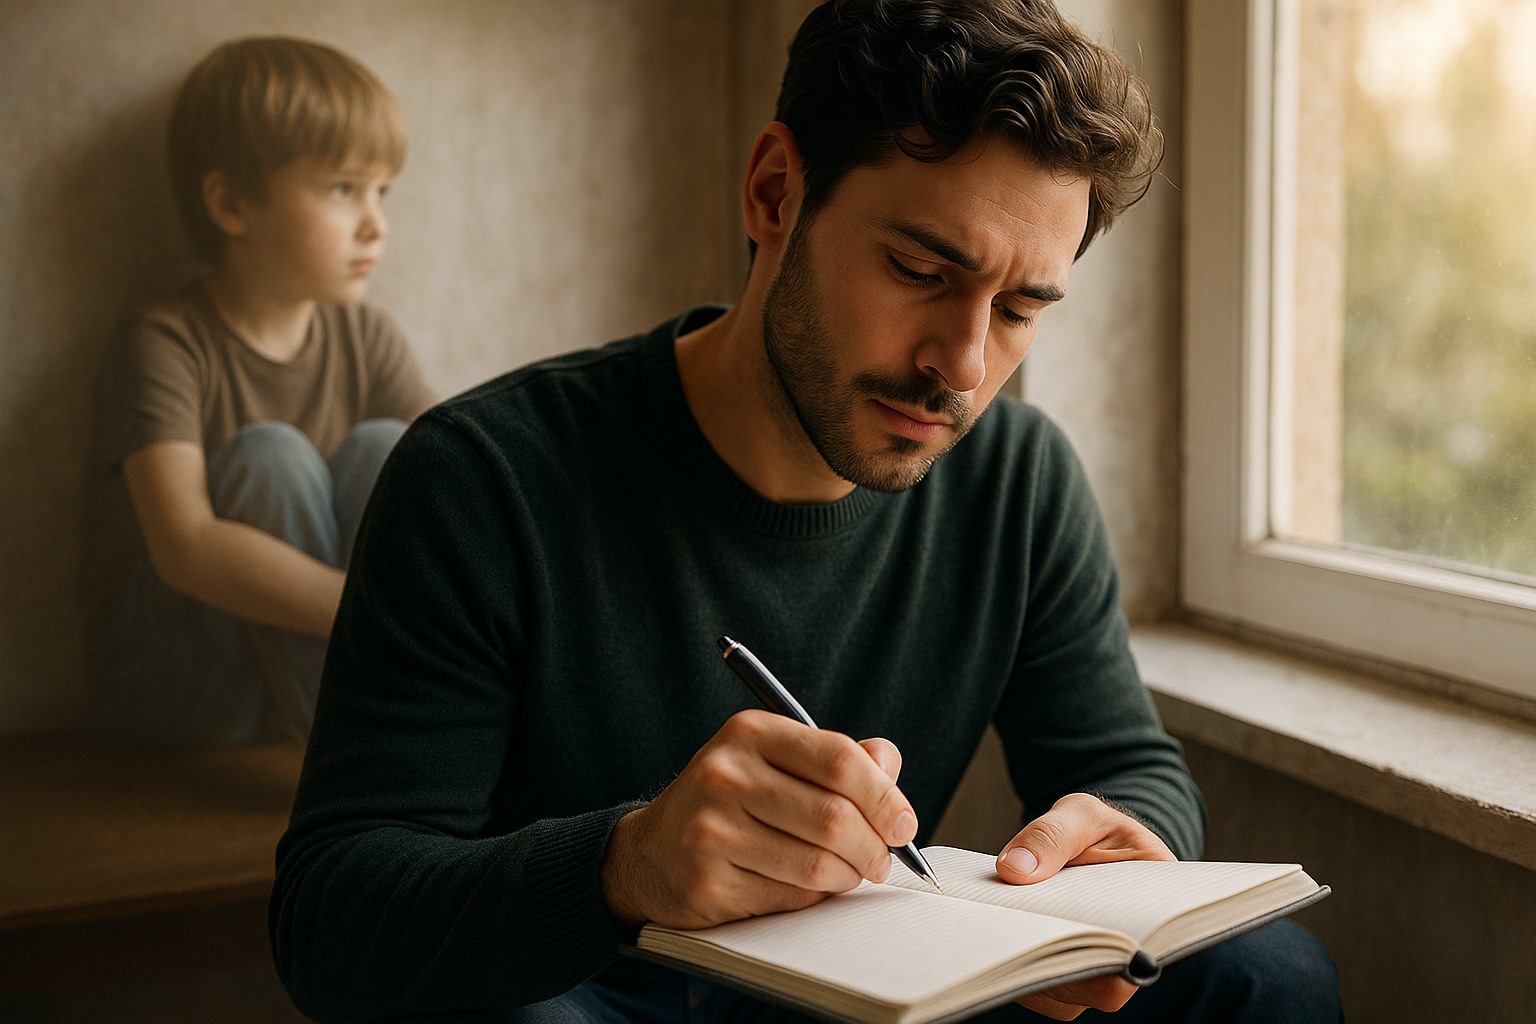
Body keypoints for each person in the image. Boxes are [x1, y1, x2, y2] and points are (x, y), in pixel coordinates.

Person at [271, 2, 1342, 1021]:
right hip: (588, 986)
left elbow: (1127, 761)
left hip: (887, 992)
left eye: (1019, 309)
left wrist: (1121, 853)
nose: (963, 367)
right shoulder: (484, 478)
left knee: (1268, 979)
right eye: (921, 269)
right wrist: (625, 864)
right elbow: (333, 913)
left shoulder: (1020, 480)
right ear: (776, 193)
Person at [80, 37, 435, 747]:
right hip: (177, 687)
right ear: (232, 203)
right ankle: (359, 748)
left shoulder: (367, 336)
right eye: (342, 189)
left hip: (300, 678)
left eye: (381, 191)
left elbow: (465, 474)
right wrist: (372, 611)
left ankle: (407, 729)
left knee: (395, 450)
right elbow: (185, 546)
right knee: (270, 457)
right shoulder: (162, 343)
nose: (377, 224)